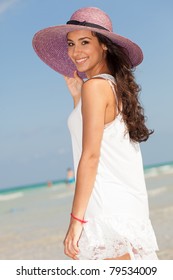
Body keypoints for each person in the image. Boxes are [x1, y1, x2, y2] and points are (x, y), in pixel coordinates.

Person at [32, 7, 158, 260]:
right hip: (126, 210)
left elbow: (90, 156)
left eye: (85, 42)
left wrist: (76, 220)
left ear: (105, 46)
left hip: (106, 211)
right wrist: (78, 99)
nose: (75, 52)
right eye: (71, 43)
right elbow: (101, 141)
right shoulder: (111, 87)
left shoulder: (96, 88)